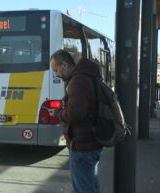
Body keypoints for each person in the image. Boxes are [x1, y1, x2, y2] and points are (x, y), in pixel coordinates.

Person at [49, 50, 102, 193]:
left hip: (82, 145)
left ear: (65, 65)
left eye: (56, 69)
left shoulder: (77, 81)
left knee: (83, 189)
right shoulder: (86, 76)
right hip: (91, 141)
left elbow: (76, 114)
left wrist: (58, 113)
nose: (56, 74)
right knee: (90, 185)